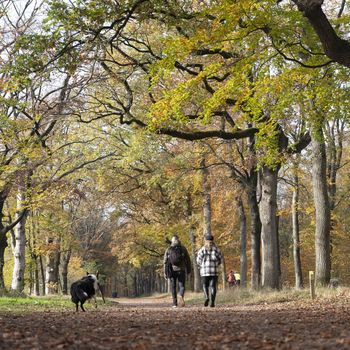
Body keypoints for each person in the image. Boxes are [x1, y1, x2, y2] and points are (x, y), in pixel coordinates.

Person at [164, 235, 191, 308]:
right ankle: (181, 295)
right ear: (178, 240)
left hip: (172, 270)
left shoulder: (169, 249)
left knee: (173, 286)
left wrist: (165, 273)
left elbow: (165, 262)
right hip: (181, 270)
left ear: (172, 241)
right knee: (181, 285)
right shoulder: (183, 248)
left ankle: (174, 303)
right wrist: (189, 271)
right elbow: (188, 260)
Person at [196, 234, 222, 307]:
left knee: (205, 285)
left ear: (205, 241)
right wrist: (216, 264)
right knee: (213, 286)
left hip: (204, 271)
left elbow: (198, 260)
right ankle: (212, 302)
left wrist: (201, 265)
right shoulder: (217, 249)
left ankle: (207, 297)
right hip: (214, 271)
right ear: (213, 241)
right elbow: (220, 259)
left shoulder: (202, 249)